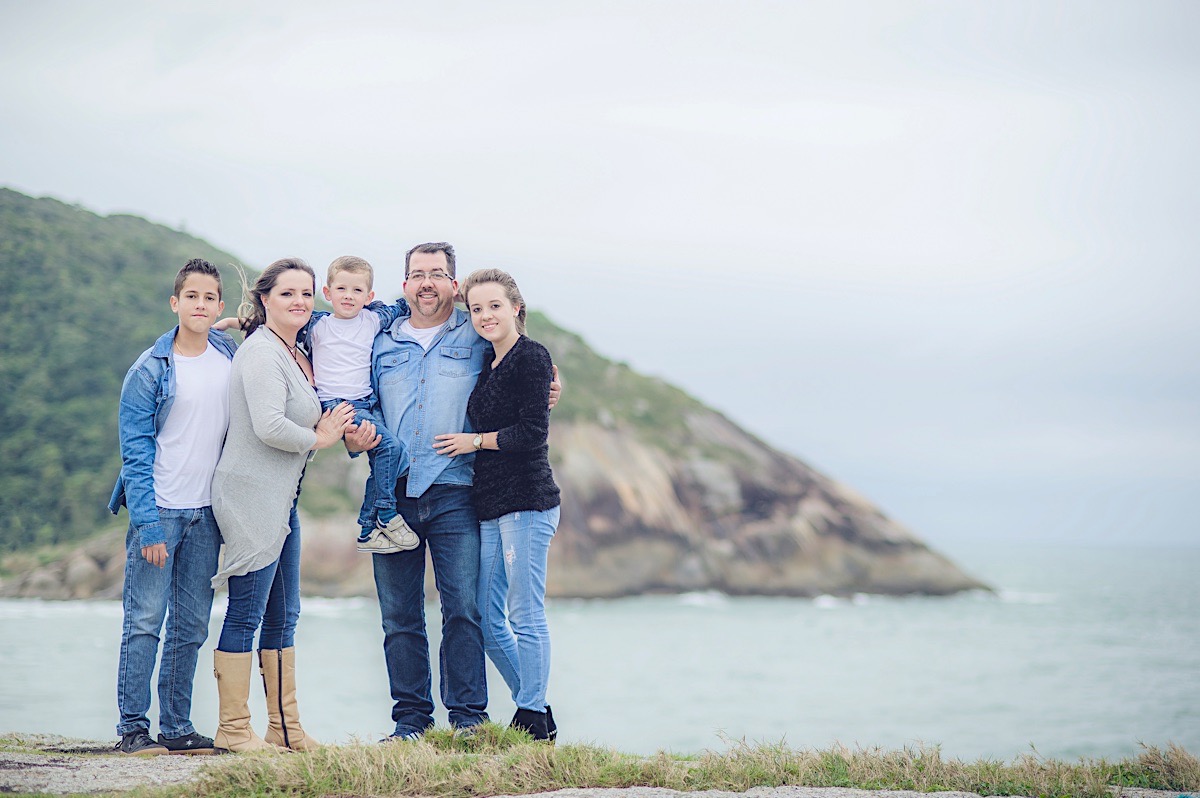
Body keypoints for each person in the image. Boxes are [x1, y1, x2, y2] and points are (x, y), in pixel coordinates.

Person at [344, 243, 560, 741]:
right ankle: (411, 723)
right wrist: (356, 436)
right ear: (404, 285)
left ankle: (468, 719)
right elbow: (360, 397)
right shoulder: (380, 339)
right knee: (399, 616)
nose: (426, 283)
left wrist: (553, 380)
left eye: (437, 274)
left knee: (464, 610)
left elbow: (521, 357)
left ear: (453, 285)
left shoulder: (476, 332)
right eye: (417, 274)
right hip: (390, 495)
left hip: (457, 492)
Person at [209, 258, 355, 753]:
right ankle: (232, 729)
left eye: (306, 294)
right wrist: (321, 438)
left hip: (282, 500)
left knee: (284, 614)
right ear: (264, 298)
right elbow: (269, 425)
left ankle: (284, 729)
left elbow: (362, 308)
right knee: (247, 613)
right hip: (250, 495)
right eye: (288, 293)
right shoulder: (261, 354)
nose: (299, 302)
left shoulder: (297, 349)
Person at [108, 258, 235, 756]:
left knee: (191, 626)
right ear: (175, 303)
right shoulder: (149, 370)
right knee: (144, 621)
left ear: (217, 306)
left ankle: (177, 727)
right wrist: (148, 526)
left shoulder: (229, 355)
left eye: (209, 298)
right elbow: (135, 455)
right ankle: (133, 729)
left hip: (208, 514)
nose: (200, 305)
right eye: (192, 297)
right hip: (160, 511)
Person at [433, 268, 561, 741]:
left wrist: (474, 441)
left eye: (494, 306)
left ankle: (529, 713)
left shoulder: (531, 357)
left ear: (516, 308)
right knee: (487, 618)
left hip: (527, 502)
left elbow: (531, 433)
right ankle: (538, 710)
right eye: (477, 308)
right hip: (489, 506)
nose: (485, 316)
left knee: (526, 613)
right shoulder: (489, 360)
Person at [299, 255, 418, 554]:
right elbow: (275, 320)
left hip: (366, 402)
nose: (348, 296)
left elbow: (404, 305)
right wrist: (239, 323)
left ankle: (367, 529)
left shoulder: (373, 320)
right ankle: (386, 515)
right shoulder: (317, 325)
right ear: (327, 293)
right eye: (341, 289)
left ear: (369, 296)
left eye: (357, 290)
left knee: (390, 458)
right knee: (391, 448)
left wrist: (456, 292)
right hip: (336, 405)